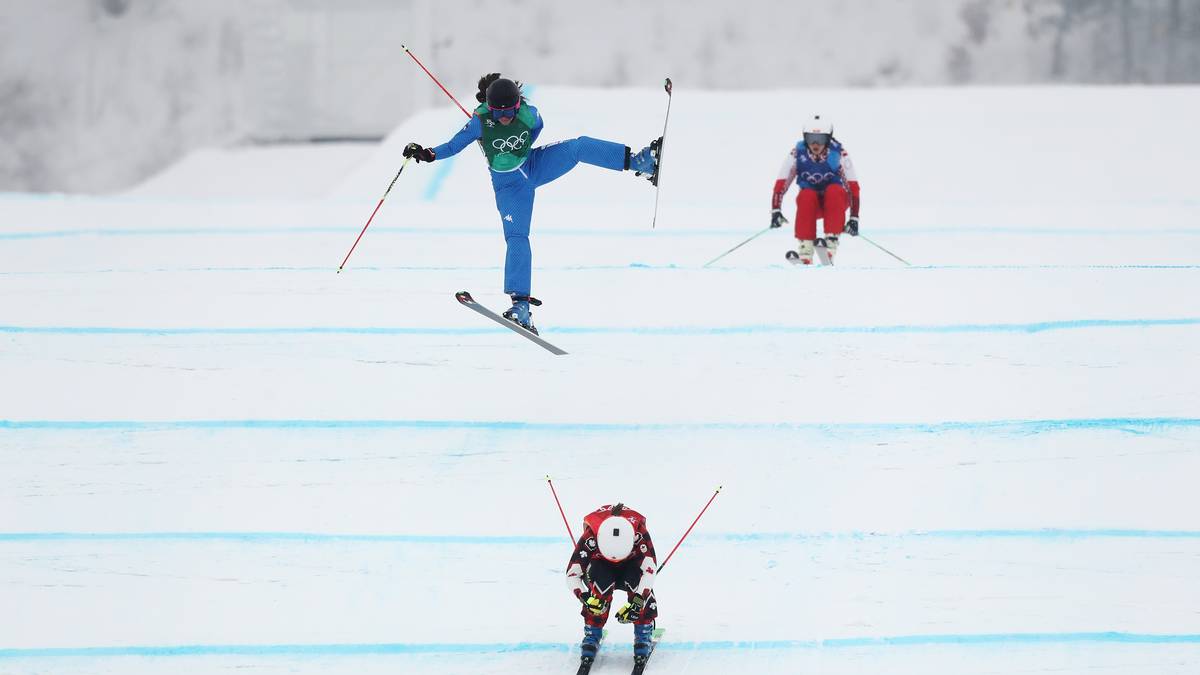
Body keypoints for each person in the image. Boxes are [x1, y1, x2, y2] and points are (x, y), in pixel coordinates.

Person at [403, 74, 661, 334]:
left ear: (517, 106)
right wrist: (427, 154)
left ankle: (641, 162)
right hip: (509, 187)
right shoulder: (479, 122)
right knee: (517, 238)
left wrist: (519, 149)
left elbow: (536, 129)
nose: (504, 118)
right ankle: (521, 307)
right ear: (489, 109)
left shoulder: (529, 114)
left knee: (578, 147)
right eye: (498, 114)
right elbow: (452, 146)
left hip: (535, 165)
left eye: (509, 113)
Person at [565, 503, 658, 667]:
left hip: (632, 564)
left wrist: (637, 602)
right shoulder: (591, 535)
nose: (616, 560)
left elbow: (649, 571)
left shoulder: (639, 533)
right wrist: (585, 597)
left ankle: (643, 632)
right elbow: (572, 573)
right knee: (600, 585)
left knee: (638, 583)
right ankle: (592, 631)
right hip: (601, 564)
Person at [769, 114, 861, 264]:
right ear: (805, 138)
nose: (815, 144)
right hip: (812, 206)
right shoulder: (797, 154)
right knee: (806, 194)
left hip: (836, 204)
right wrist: (776, 210)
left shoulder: (840, 155)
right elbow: (781, 182)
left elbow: (853, 188)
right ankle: (806, 248)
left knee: (834, 190)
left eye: (821, 139)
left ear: (829, 138)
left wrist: (854, 218)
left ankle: (831, 242)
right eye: (811, 138)